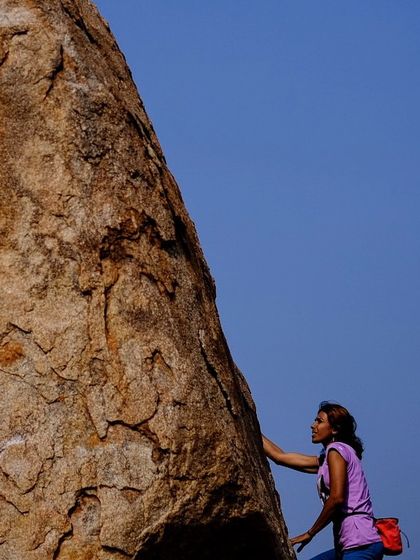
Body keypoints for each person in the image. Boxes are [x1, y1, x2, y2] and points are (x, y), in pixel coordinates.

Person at [263, 401, 384, 560]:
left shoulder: (336, 451)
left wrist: (310, 533)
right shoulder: (327, 459)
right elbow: (280, 457)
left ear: (334, 429)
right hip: (351, 544)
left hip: (361, 544)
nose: (313, 426)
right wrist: (247, 420)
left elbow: (336, 498)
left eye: (319, 421)